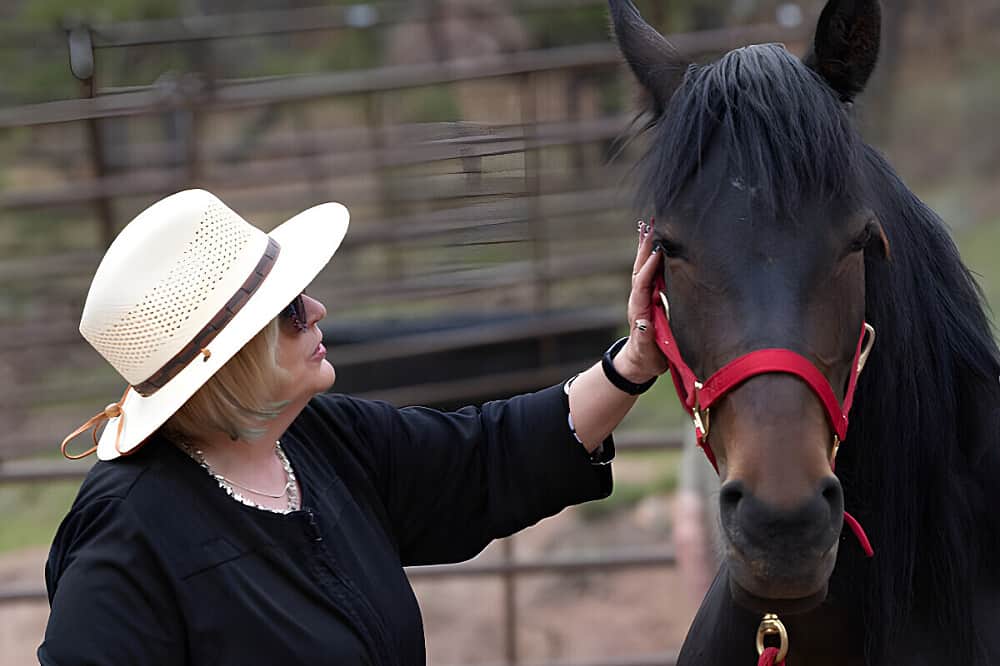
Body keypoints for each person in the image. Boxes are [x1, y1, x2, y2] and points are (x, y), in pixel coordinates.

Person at [39, 190, 668, 665]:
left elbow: (482, 456)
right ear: (229, 359)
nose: (316, 310)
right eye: (287, 309)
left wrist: (635, 360)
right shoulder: (126, 536)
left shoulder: (319, 439)